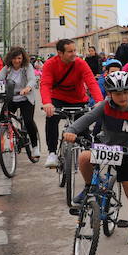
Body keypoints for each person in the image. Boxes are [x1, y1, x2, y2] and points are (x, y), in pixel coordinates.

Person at [65, 70, 128, 244]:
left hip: (126, 152)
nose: (123, 97)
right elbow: (87, 119)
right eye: (118, 94)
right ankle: (91, 187)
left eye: (126, 92)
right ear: (110, 94)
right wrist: (71, 130)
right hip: (105, 147)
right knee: (83, 158)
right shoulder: (104, 106)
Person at [40, 39, 103, 168]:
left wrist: (99, 101)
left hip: (79, 100)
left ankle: (90, 160)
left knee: (84, 131)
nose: (74, 53)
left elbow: (91, 82)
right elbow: (45, 84)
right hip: (57, 99)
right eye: (70, 51)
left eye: (75, 50)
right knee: (51, 118)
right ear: (60, 53)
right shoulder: (50, 64)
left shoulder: (80, 63)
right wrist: (47, 103)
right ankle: (52, 153)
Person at [0, 47, 40, 161]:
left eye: (19, 58)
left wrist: (28, 88)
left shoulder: (27, 67)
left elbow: (32, 79)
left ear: (23, 58)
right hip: (12, 98)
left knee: (28, 121)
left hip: (26, 98)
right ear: (10, 58)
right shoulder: (7, 68)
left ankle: (35, 147)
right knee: (2, 121)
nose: (17, 61)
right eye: (14, 58)